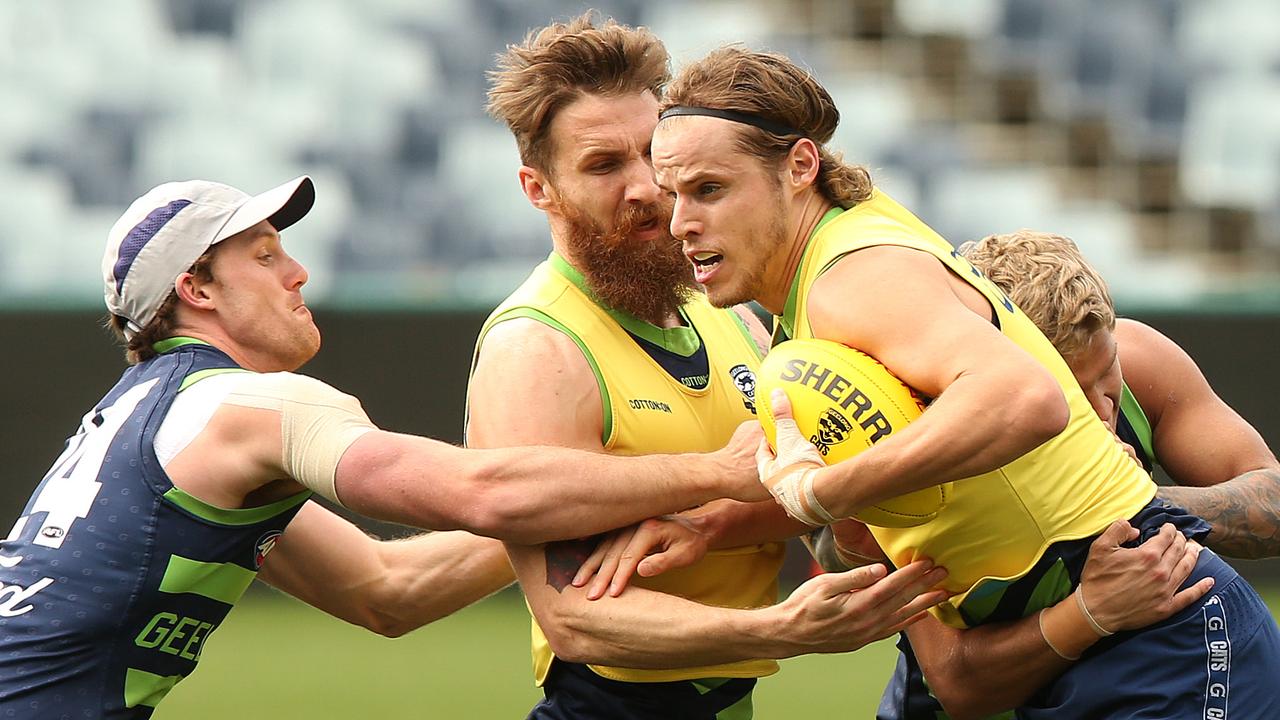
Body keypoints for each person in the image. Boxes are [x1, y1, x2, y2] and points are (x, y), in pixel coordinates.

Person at [0, 173, 789, 720]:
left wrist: (605, 496)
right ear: (196, 291)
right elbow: (488, 496)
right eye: (267, 256)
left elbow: (386, 589)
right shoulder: (252, 406)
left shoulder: (156, 418)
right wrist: (714, 468)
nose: (299, 273)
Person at [649, 46, 1280, 718]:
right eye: (672, 196)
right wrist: (718, 520)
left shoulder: (847, 280)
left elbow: (1025, 397)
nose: (680, 224)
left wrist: (822, 493)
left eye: (710, 189)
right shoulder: (821, 301)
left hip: (1166, 642)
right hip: (1066, 644)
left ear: (802, 166)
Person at [470, 15, 948, 719]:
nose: (646, 189)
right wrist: (778, 630)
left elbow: (783, 483)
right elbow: (574, 618)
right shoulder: (537, 351)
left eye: (651, 155)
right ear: (537, 188)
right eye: (604, 166)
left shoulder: (720, 304)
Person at [863, 230, 1280, 718]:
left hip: (1130, 677)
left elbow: (1273, 500)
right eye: (1072, 398)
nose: (1103, 411)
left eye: (1107, 372)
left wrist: (1138, 504)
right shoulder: (916, 438)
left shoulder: (1143, 359)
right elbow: (961, 685)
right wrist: (1089, 612)